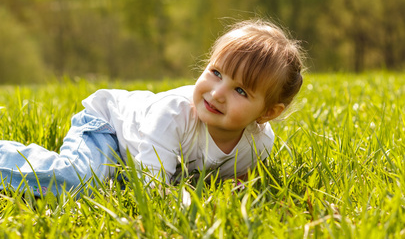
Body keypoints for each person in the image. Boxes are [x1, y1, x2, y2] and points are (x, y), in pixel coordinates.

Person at [0, 19, 305, 197]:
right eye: (215, 73)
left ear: (267, 113)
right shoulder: (173, 114)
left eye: (240, 90)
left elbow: (238, 179)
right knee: (77, 181)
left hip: (134, 158)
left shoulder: (258, 144)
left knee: (112, 183)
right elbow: (153, 189)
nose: (217, 93)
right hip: (108, 130)